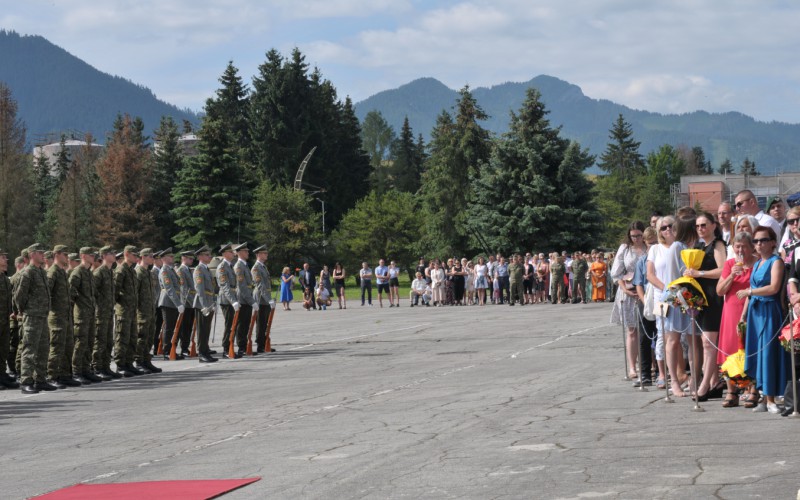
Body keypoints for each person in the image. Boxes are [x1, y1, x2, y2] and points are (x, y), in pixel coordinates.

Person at [738, 226, 789, 413]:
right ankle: (763, 396)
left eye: (763, 240)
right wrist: (743, 316)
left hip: (769, 310)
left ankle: (771, 398)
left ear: (773, 242)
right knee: (758, 352)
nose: (759, 244)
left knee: (768, 352)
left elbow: (774, 287)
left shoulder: (776, 261)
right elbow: (749, 294)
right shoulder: (758, 263)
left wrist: (750, 292)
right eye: (756, 241)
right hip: (755, 311)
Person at [683, 212, 726, 400]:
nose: (701, 229)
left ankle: (704, 386)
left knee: (709, 344)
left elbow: (723, 270)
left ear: (713, 226)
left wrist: (699, 273)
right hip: (701, 299)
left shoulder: (717, 245)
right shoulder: (698, 245)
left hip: (714, 297)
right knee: (704, 342)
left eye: (704, 225)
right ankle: (715, 381)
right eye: (698, 226)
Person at [647, 216, 688, 395]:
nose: (667, 230)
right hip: (662, 297)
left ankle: (681, 373)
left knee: (683, 337)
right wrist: (668, 289)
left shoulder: (682, 246)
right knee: (663, 335)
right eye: (663, 228)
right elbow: (650, 275)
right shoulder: (655, 249)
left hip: (683, 295)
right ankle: (665, 375)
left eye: (670, 226)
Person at [716, 231, 756, 407]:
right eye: (737, 246)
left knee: (751, 349)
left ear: (751, 247)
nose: (740, 250)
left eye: (744, 246)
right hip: (731, 311)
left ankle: (752, 390)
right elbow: (719, 291)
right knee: (730, 350)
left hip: (751, 311)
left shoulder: (757, 263)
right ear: (733, 248)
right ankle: (732, 391)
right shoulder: (730, 264)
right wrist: (732, 275)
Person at [14, 243, 55, 394]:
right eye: (39, 252)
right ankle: (26, 381)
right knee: (30, 349)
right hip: (32, 316)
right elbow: (19, 296)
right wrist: (24, 310)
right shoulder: (28, 272)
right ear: (32, 255)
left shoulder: (41, 272)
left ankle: (40, 380)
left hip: (43, 315)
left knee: (44, 349)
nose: (43, 255)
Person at [611, 221, 647, 381]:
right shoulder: (625, 249)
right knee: (632, 330)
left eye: (639, 235)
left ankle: (649, 364)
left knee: (648, 330)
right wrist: (625, 289)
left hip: (646, 290)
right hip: (629, 291)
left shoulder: (650, 247)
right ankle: (633, 366)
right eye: (633, 236)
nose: (636, 239)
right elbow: (616, 272)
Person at [47, 245, 76, 388]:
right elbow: (47, 294)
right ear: (57, 255)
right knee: (57, 347)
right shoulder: (52, 272)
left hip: (66, 316)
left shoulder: (63, 272)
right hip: (57, 317)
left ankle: (65, 374)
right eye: (65, 254)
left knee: (68, 346)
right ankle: (52, 375)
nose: (67, 257)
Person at [633, 227, 659, 387]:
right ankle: (644, 373)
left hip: (661, 300)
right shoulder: (642, 261)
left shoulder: (661, 258)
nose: (652, 247)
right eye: (649, 244)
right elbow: (638, 284)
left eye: (655, 243)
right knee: (644, 338)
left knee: (661, 336)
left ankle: (660, 371)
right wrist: (644, 301)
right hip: (646, 302)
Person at [93, 247, 119, 380]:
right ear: (104, 256)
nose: (114, 255)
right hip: (100, 313)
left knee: (109, 341)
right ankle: (98, 367)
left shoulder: (110, 272)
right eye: (112, 253)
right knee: (100, 341)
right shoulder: (99, 273)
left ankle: (106, 366)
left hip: (109, 311)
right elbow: (93, 293)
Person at [133, 248, 161, 374]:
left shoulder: (149, 273)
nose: (152, 258)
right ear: (143, 257)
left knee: (149, 336)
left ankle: (146, 360)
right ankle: (139, 361)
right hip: (141, 311)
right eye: (150, 256)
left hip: (150, 310)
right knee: (141, 337)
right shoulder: (138, 272)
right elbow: (135, 293)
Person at [158, 248, 185, 360]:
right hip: (168, 302)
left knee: (174, 326)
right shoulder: (164, 270)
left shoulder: (171, 269)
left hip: (174, 301)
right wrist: (178, 303)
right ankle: (167, 351)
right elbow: (169, 289)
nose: (173, 258)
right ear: (164, 258)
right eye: (170, 256)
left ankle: (172, 349)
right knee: (169, 327)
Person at [192, 245, 218, 362]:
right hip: (202, 304)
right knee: (202, 329)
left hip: (209, 302)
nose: (210, 256)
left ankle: (206, 351)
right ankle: (201, 353)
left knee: (206, 328)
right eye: (207, 255)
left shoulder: (206, 269)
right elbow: (200, 289)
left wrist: (213, 302)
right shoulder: (199, 269)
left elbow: (211, 288)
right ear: (200, 256)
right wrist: (204, 305)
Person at [233, 243, 257, 357]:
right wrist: (251, 300)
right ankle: (241, 347)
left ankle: (245, 346)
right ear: (239, 253)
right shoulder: (238, 266)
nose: (248, 253)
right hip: (242, 298)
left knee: (246, 324)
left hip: (247, 297)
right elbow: (242, 286)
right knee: (241, 325)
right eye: (245, 251)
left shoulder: (245, 265)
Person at [0, 248, 19, 389]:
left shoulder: (4, 278)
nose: (6, 260)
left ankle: (2, 374)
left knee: (4, 348)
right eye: (2, 257)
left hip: (5, 320)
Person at [216, 243, 239, 356]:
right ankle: (226, 349)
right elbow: (225, 286)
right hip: (226, 300)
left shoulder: (230, 265)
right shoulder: (222, 267)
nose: (233, 253)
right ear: (225, 254)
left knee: (233, 324)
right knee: (229, 324)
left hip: (232, 298)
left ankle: (230, 347)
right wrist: (232, 300)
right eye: (230, 252)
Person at [251, 245, 273, 354]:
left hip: (265, 297)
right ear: (259, 255)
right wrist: (269, 299)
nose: (266, 255)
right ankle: (260, 345)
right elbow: (260, 285)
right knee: (260, 322)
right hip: (260, 297)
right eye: (264, 253)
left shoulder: (263, 266)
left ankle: (264, 343)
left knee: (265, 322)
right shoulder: (256, 268)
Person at [177, 250, 196, 358]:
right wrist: (191, 302)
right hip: (186, 303)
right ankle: (183, 348)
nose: (192, 260)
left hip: (191, 302)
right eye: (190, 258)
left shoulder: (188, 270)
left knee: (189, 327)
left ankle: (186, 347)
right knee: (184, 327)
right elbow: (184, 290)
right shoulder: (181, 271)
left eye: (192, 259)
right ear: (183, 258)